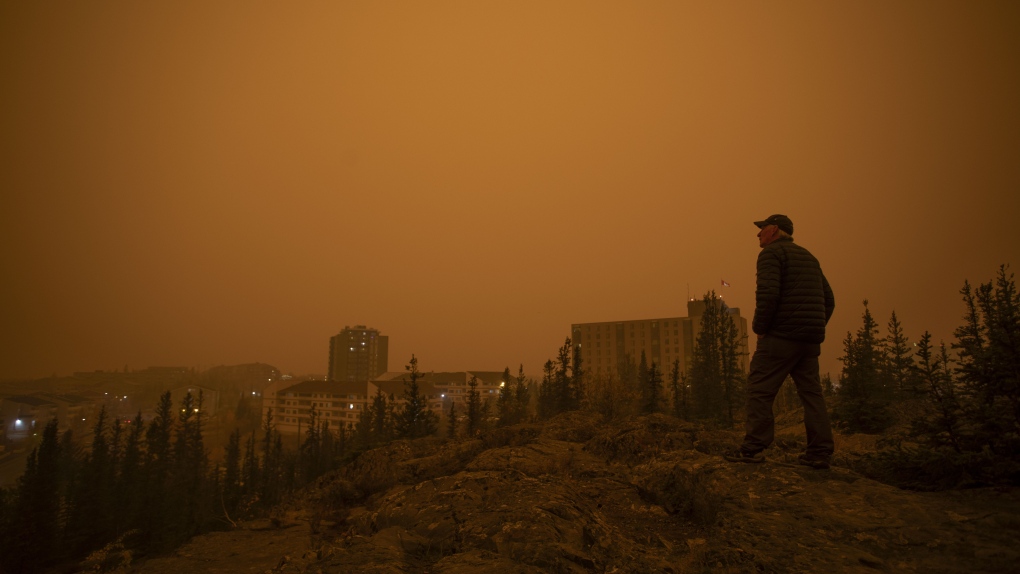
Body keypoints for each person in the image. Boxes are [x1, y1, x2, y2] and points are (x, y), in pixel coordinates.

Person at [724, 214, 836, 469]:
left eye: (761, 229)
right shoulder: (809, 257)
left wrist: (760, 329)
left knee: (760, 390)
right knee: (812, 395)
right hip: (808, 342)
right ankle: (820, 453)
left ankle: (753, 449)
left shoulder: (771, 255)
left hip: (779, 339)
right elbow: (829, 300)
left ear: (774, 230)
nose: (758, 234)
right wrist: (812, 327)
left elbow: (768, 295)